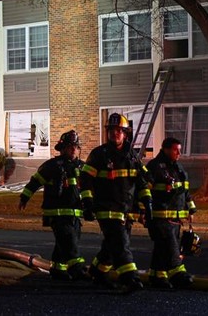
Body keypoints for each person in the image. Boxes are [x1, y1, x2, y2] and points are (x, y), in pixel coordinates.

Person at [80, 113, 152, 292]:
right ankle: (130, 278)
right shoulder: (99, 154)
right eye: (111, 130)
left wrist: (147, 203)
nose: (114, 133)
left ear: (125, 134)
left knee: (112, 245)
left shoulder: (132, 156)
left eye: (118, 130)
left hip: (126, 211)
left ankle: (97, 271)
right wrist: (88, 203)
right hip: (106, 209)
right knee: (120, 245)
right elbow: (86, 180)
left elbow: (141, 182)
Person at [18, 130, 87, 280]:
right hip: (57, 214)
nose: (74, 149)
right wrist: (24, 197)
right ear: (62, 148)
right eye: (70, 146)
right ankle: (77, 269)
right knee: (70, 242)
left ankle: (57, 269)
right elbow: (35, 182)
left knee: (66, 241)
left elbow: (90, 187)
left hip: (75, 213)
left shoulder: (82, 167)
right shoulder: (52, 166)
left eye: (76, 146)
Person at [144, 137, 197, 289]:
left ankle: (157, 276)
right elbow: (145, 191)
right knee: (171, 246)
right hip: (160, 218)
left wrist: (191, 208)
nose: (179, 153)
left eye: (179, 150)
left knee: (161, 247)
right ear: (165, 149)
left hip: (175, 218)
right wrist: (143, 211)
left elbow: (185, 191)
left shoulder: (179, 168)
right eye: (175, 150)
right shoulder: (154, 167)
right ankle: (178, 272)